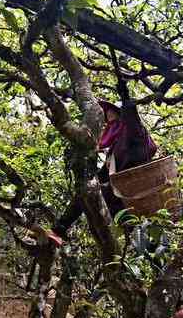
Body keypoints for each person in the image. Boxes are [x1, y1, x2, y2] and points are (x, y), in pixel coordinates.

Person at [52, 98, 157, 235]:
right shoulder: (115, 145)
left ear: (121, 114)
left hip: (131, 192)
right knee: (85, 194)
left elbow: (132, 115)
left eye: (110, 110)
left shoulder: (134, 133)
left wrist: (123, 91)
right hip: (119, 199)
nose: (107, 113)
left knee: (141, 232)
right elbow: (101, 177)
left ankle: (59, 229)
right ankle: (59, 230)